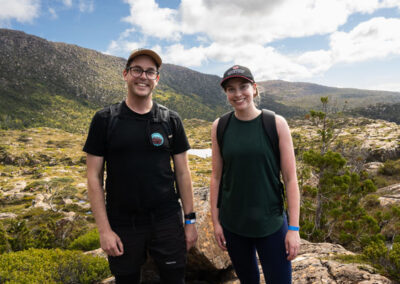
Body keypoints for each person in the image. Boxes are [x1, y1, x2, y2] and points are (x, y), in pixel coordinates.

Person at [83, 48, 198, 284]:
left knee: (175, 279)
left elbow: (183, 173)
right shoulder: (105, 119)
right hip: (123, 222)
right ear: (126, 74)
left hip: (166, 219)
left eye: (149, 72)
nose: (142, 76)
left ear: (156, 79)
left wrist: (190, 222)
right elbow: (93, 177)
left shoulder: (170, 119)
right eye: (137, 70)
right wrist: (104, 231)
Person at [210, 65, 300, 283]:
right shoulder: (220, 126)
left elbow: (290, 179)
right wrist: (216, 222)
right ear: (226, 94)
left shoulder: (275, 123)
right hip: (233, 224)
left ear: (255, 89)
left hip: (270, 222)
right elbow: (216, 177)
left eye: (243, 87)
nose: (238, 93)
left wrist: (294, 229)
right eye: (231, 89)